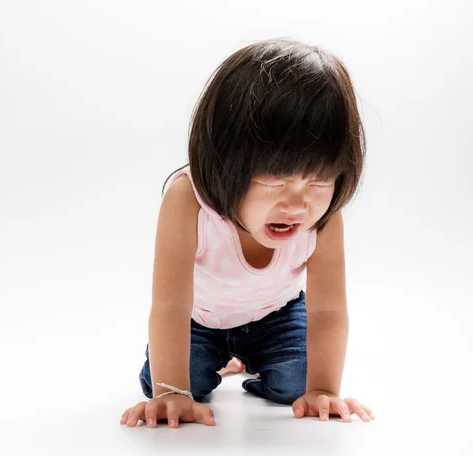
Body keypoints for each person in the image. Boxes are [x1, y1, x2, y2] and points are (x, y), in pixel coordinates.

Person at [120, 37, 375, 428]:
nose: (297, 204)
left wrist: (322, 389)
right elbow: (170, 304)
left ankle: (253, 368)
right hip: (197, 320)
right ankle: (214, 363)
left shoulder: (325, 218)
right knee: (176, 383)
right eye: (275, 182)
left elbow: (327, 310)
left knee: (297, 382)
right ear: (224, 164)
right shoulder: (188, 199)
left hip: (277, 316)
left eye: (318, 183)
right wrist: (171, 391)